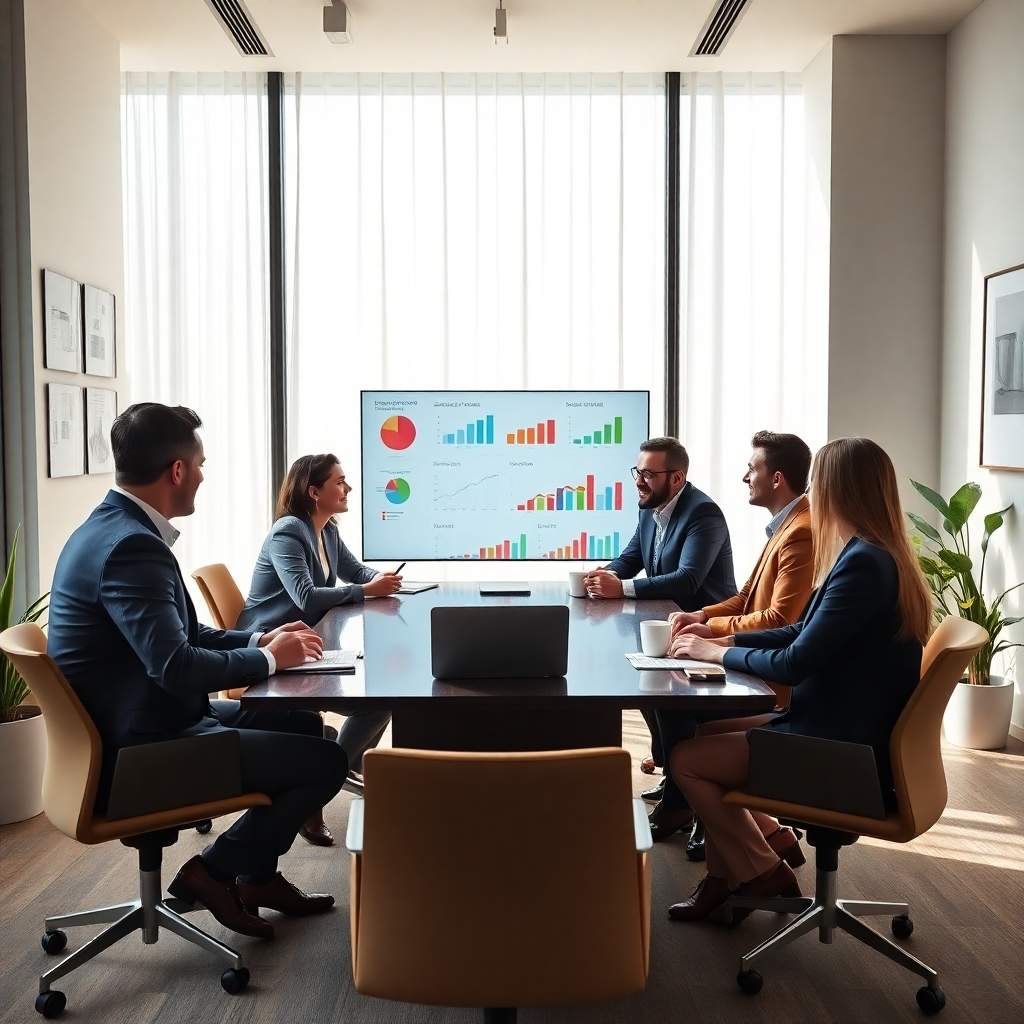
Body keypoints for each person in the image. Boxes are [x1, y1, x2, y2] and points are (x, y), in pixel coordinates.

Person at [47, 403, 348, 941]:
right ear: (178, 471)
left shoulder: (114, 528)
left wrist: (261, 640)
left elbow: (185, 633)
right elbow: (176, 667)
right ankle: (212, 871)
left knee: (304, 725)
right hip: (140, 753)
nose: (204, 476)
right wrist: (273, 659)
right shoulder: (132, 547)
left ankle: (257, 878)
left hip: (140, 722)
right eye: (201, 464)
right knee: (327, 760)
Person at [666, 437, 932, 921]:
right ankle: (728, 879)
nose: (812, 495)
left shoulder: (864, 566)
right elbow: (800, 631)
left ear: (836, 491)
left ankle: (763, 870)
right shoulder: (870, 555)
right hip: (847, 731)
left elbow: (795, 662)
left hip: (843, 755)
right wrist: (725, 644)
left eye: (818, 485)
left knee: (687, 760)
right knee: (707, 734)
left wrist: (715, 654)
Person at [663, 431, 815, 859]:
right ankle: (766, 833)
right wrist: (701, 616)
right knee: (670, 696)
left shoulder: (800, 533)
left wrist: (712, 635)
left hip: (771, 682)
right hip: (758, 659)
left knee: (679, 706)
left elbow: (782, 619)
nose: (744, 476)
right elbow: (746, 598)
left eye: (753, 468)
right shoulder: (784, 526)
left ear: (777, 477)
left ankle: (704, 815)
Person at [583, 436, 737, 842]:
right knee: (640, 682)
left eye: (649, 474)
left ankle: (684, 801)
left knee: (667, 700)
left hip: (705, 632)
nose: (640, 481)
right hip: (663, 625)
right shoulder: (651, 510)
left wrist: (624, 590)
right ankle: (675, 780)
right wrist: (602, 576)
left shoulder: (703, 514)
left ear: (676, 477)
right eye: (638, 472)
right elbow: (630, 559)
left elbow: (689, 580)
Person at [237, 454, 401, 811]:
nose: (348, 488)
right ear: (314, 491)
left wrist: (386, 581)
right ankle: (327, 774)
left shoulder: (326, 529)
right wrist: (365, 591)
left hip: (306, 642)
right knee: (376, 703)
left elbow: (355, 571)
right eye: (339, 482)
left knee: (384, 693)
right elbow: (305, 596)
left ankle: (345, 764)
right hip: (273, 646)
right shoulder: (288, 532)